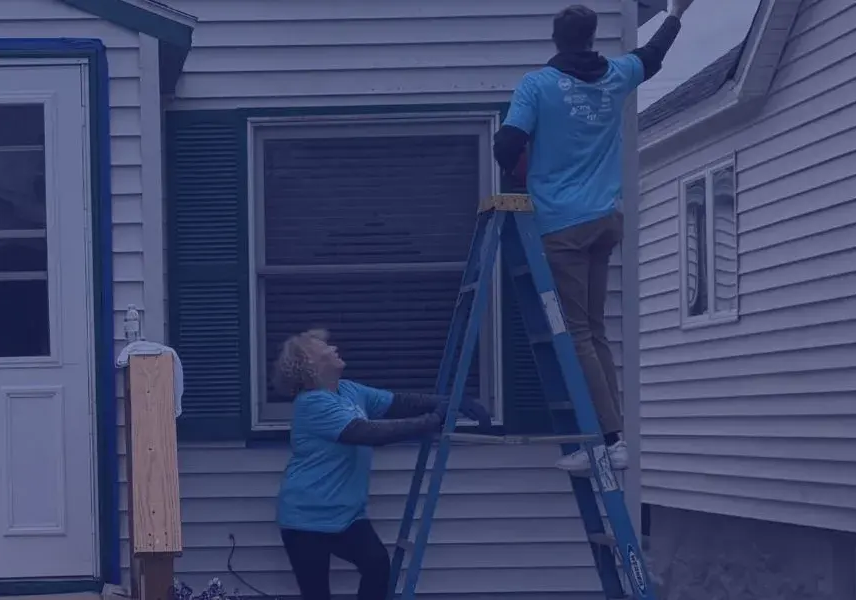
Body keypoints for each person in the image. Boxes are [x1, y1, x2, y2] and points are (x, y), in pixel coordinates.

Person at [493, 0, 692, 473]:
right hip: (606, 220)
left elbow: (505, 144)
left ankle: (607, 441)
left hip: (562, 223)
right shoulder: (616, 75)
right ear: (591, 37)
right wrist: (676, 14)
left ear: (556, 39)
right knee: (595, 332)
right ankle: (613, 437)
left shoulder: (538, 85)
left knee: (577, 334)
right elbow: (654, 54)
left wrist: (523, 175)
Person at [273, 329, 492, 600]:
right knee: (317, 595)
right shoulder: (312, 404)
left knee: (377, 567)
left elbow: (399, 402)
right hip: (304, 518)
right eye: (325, 348)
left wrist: (451, 402)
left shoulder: (350, 390)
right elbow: (368, 433)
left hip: (347, 516)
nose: (334, 348)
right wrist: (435, 419)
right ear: (311, 364)